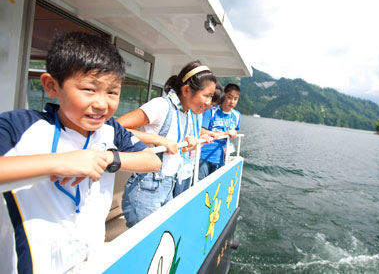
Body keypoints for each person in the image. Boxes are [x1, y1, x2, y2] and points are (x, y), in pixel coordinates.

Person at [0, 31, 161, 274]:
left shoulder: (110, 130)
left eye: (112, 92)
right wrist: (58, 163)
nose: (101, 103)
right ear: (51, 86)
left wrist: (108, 158)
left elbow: (152, 161)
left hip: (90, 262)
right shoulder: (18, 125)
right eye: (88, 88)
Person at [118, 60, 217, 227]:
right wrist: (159, 140)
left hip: (168, 185)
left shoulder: (185, 113)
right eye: (206, 95)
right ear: (186, 90)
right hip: (146, 188)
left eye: (211, 97)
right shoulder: (161, 106)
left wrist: (188, 141)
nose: (209, 102)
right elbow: (118, 127)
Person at [173, 81, 224, 197]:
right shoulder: (185, 112)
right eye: (208, 101)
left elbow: (194, 136)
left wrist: (201, 139)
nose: (209, 107)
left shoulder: (198, 114)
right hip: (177, 169)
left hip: (188, 167)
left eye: (212, 105)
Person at [198, 83, 241, 181]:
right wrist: (223, 134)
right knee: (200, 184)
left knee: (215, 187)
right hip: (204, 156)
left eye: (235, 99)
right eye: (229, 97)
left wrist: (234, 133)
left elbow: (235, 130)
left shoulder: (237, 115)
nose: (232, 101)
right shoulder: (211, 111)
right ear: (223, 95)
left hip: (221, 158)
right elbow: (201, 130)